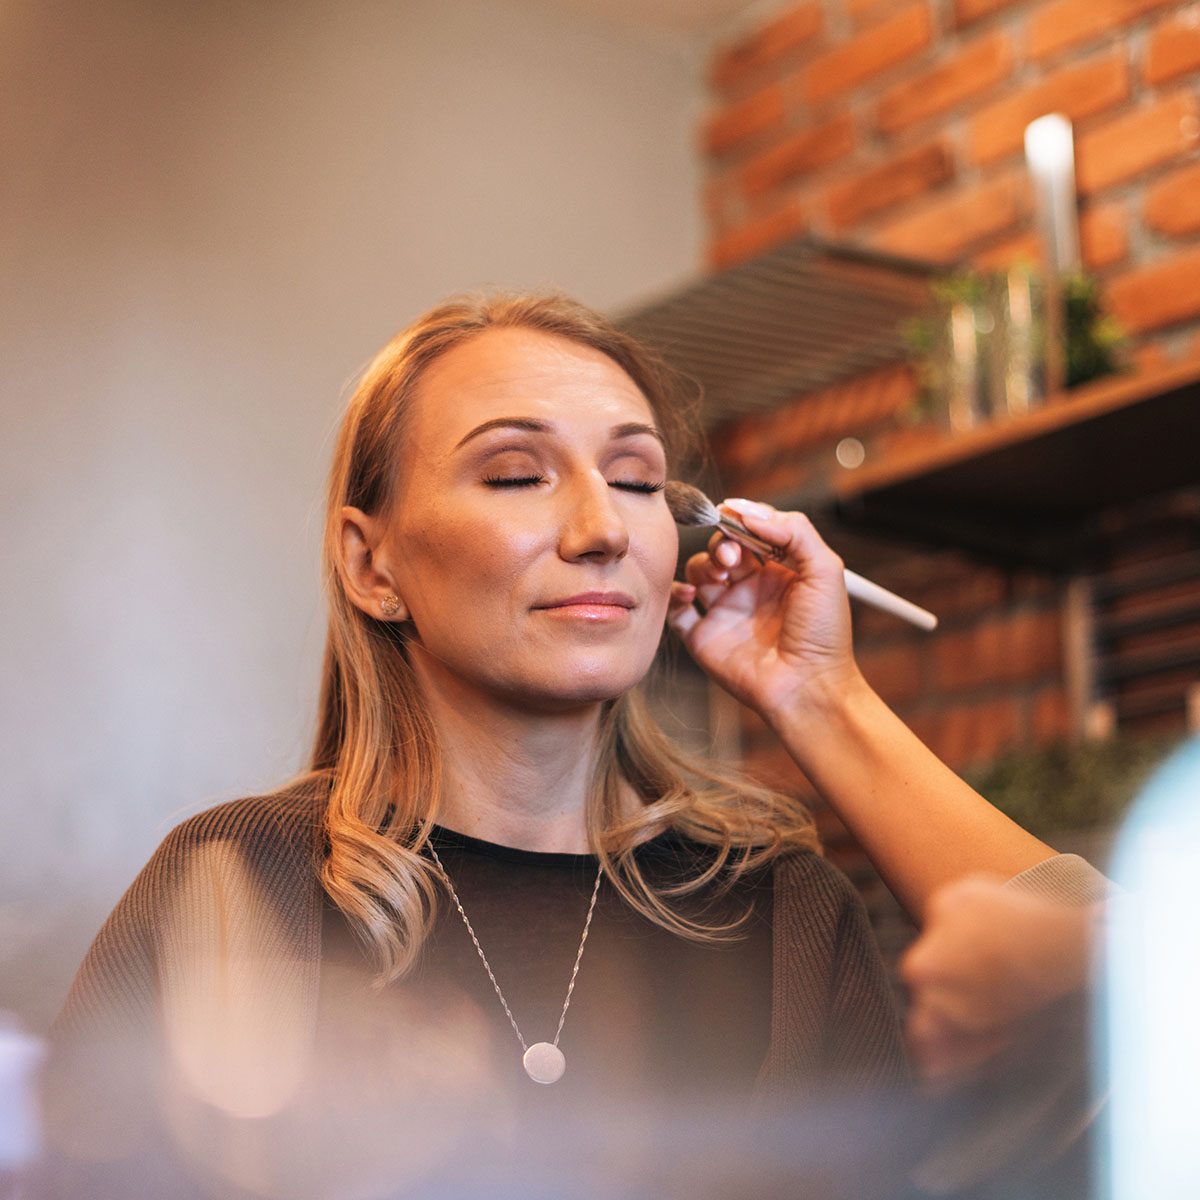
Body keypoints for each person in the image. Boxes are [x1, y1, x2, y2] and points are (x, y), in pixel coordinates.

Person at [43, 291, 1088, 1199]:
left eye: (637, 480)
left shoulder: (786, 909)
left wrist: (818, 691)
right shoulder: (235, 880)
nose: (600, 527)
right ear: (373, 565)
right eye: (514, 475)